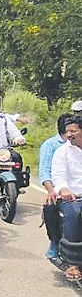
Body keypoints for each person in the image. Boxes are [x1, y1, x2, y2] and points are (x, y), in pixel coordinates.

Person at [52, 115, 82, 281]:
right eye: (67, 131)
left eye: (73, 131)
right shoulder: (62, 152)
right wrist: (63, 189)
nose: (69, 134)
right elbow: (58, 175)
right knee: (73, 214)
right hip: (73, 197)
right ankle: (73, 263)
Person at [40, 113, 72, 260]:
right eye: (69, 131)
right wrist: (51, 190)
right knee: (50, 208)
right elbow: (45, 171)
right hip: (59, 190)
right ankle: (55, 241)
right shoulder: (51, 145)